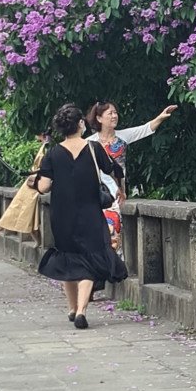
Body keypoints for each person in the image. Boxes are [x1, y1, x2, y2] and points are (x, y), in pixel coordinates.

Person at [30, 103, 127, 329]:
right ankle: (82, 310)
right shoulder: (93, 148)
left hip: (62, 215)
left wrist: (32, 181)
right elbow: (114, 169)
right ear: (81, 124)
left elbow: (43, 187)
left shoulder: (53, 154)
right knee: (90, 259)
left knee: (68, 259)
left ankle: (72, 308)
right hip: (90, 213)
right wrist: (121, 189)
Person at [84, 101, 178, 202]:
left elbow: (145, 129)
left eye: (115, 113)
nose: (115, 116)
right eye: (110, 113)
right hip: (96, 195)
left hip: (119, 194)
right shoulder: (89, 143)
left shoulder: (123, 136)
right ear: (99, 118)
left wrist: (161, 117)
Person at [0, 131, 49, 246]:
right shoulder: (45, 146)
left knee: (20, 210)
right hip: (33, 182)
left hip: (37, 184)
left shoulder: (48, 147)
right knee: (18, 209)